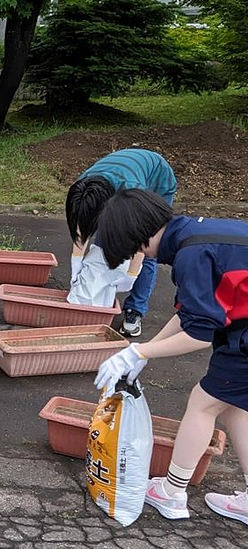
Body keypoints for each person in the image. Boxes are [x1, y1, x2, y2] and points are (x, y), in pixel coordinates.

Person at [93, 189, 248, 527]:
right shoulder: (194, 234)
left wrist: (139, 351)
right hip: (241, 328)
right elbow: (191, 315)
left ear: (138, 235)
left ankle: (171, 492)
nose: (139, 254)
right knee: (232, 404)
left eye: (134, 247)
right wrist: (146, 350)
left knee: (203, 404)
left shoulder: (191, 254)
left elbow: (199, 335)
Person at [66, 148, 177, 336]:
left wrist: (131, 274)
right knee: (104, 245)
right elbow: (81, 224)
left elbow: (144, 236)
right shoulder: (84, 188)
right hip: (123, 174)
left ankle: (135, 309)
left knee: (149, 250)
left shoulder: (132, 190)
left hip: (157, 181)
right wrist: (76, 261)